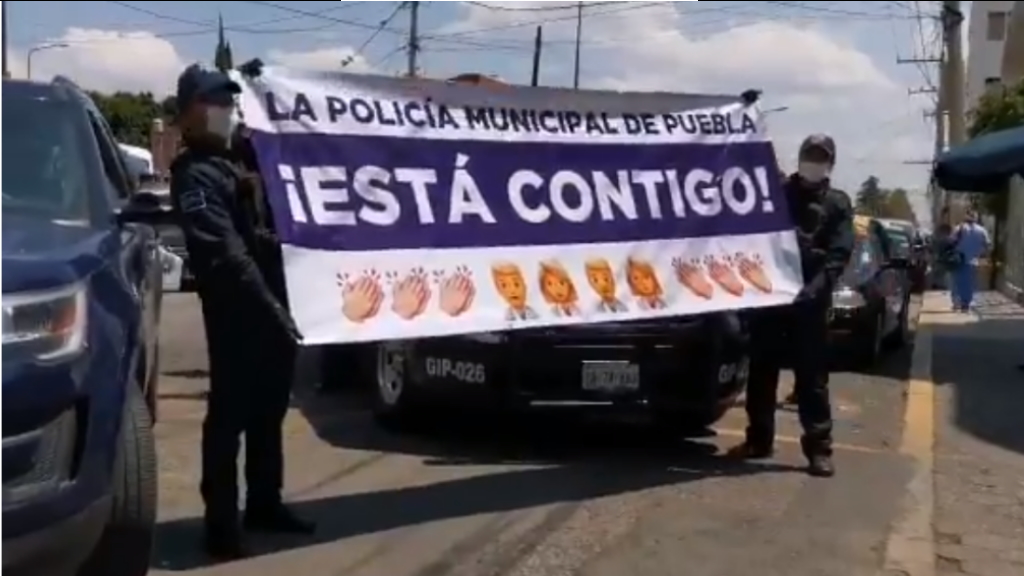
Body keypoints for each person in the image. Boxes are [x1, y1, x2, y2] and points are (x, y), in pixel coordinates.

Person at [169, 63, 315, 561]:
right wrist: (272, 306)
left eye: (229, 102)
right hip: (237, 312)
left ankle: (265, 504)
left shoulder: (239, 161)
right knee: (230, 416)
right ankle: (221, 526)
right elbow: (227, 255)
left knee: (269, 411)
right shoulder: (194, 175)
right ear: (189, 112)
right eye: (215, 102)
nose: (225, 112)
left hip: (274, 306)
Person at [729, 134, 855, 478]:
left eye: (821, 156)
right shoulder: (778, 193)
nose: (814, 161)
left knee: (812, 379)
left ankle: (819, 449)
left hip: (810, 303)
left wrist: (814, 290)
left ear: (830, 162)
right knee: (762, 372)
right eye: (810, 154)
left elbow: (838, 255)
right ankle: (758, 440)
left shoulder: (838, 204)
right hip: (772, 298)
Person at [947, 211, 990, 312]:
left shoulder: (959, 228)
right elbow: (987, 245)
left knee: (956, 282)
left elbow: (951, 241)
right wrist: (981, 253)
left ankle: (956, 302)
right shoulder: (982, 230)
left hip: (958, 260)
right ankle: (966, 303)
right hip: (973, 261)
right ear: (975, 218)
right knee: (970, 283)